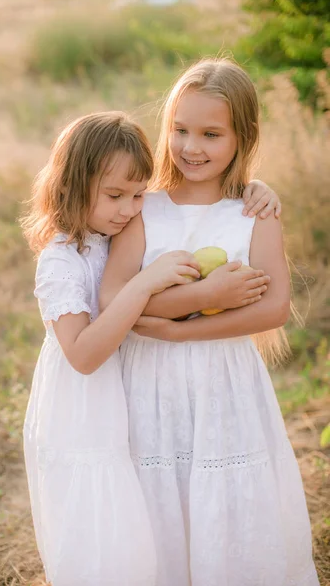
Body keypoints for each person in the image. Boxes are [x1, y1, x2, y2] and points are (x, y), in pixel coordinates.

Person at [100, 59, 319, 586]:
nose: (190, 147)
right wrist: (205, 295)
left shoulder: (254, 211)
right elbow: (113, 299)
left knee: (226, 497)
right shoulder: (144, 208)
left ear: (243, 137)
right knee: (161, 494)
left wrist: (178, 327)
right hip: (150, 385)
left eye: (210, 134)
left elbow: (271, 309)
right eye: (179, 130)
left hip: (224, 383)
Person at [20, 111, 212, 585]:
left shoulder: (122, 235)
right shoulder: (60, 260)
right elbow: (83, 355)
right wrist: (145, 283)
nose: (129, 208)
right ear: (70, 184)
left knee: (141, 518)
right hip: (84, 413)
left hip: (132, 402)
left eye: (137, 194)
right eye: (114, 196)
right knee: (99, 525)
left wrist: (257, 191)